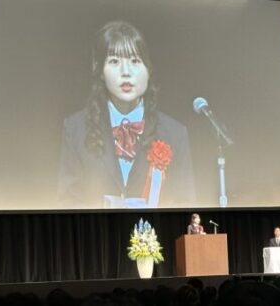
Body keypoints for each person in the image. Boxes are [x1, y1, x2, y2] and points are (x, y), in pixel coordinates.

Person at [58, 21, 196, 209]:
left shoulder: (175, 133)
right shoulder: (75, 129)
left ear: (149, 70)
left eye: (135, 61)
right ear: (100, 70)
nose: (126, 72)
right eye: (114, 61)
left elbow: (185, 205)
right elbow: (68, 202)